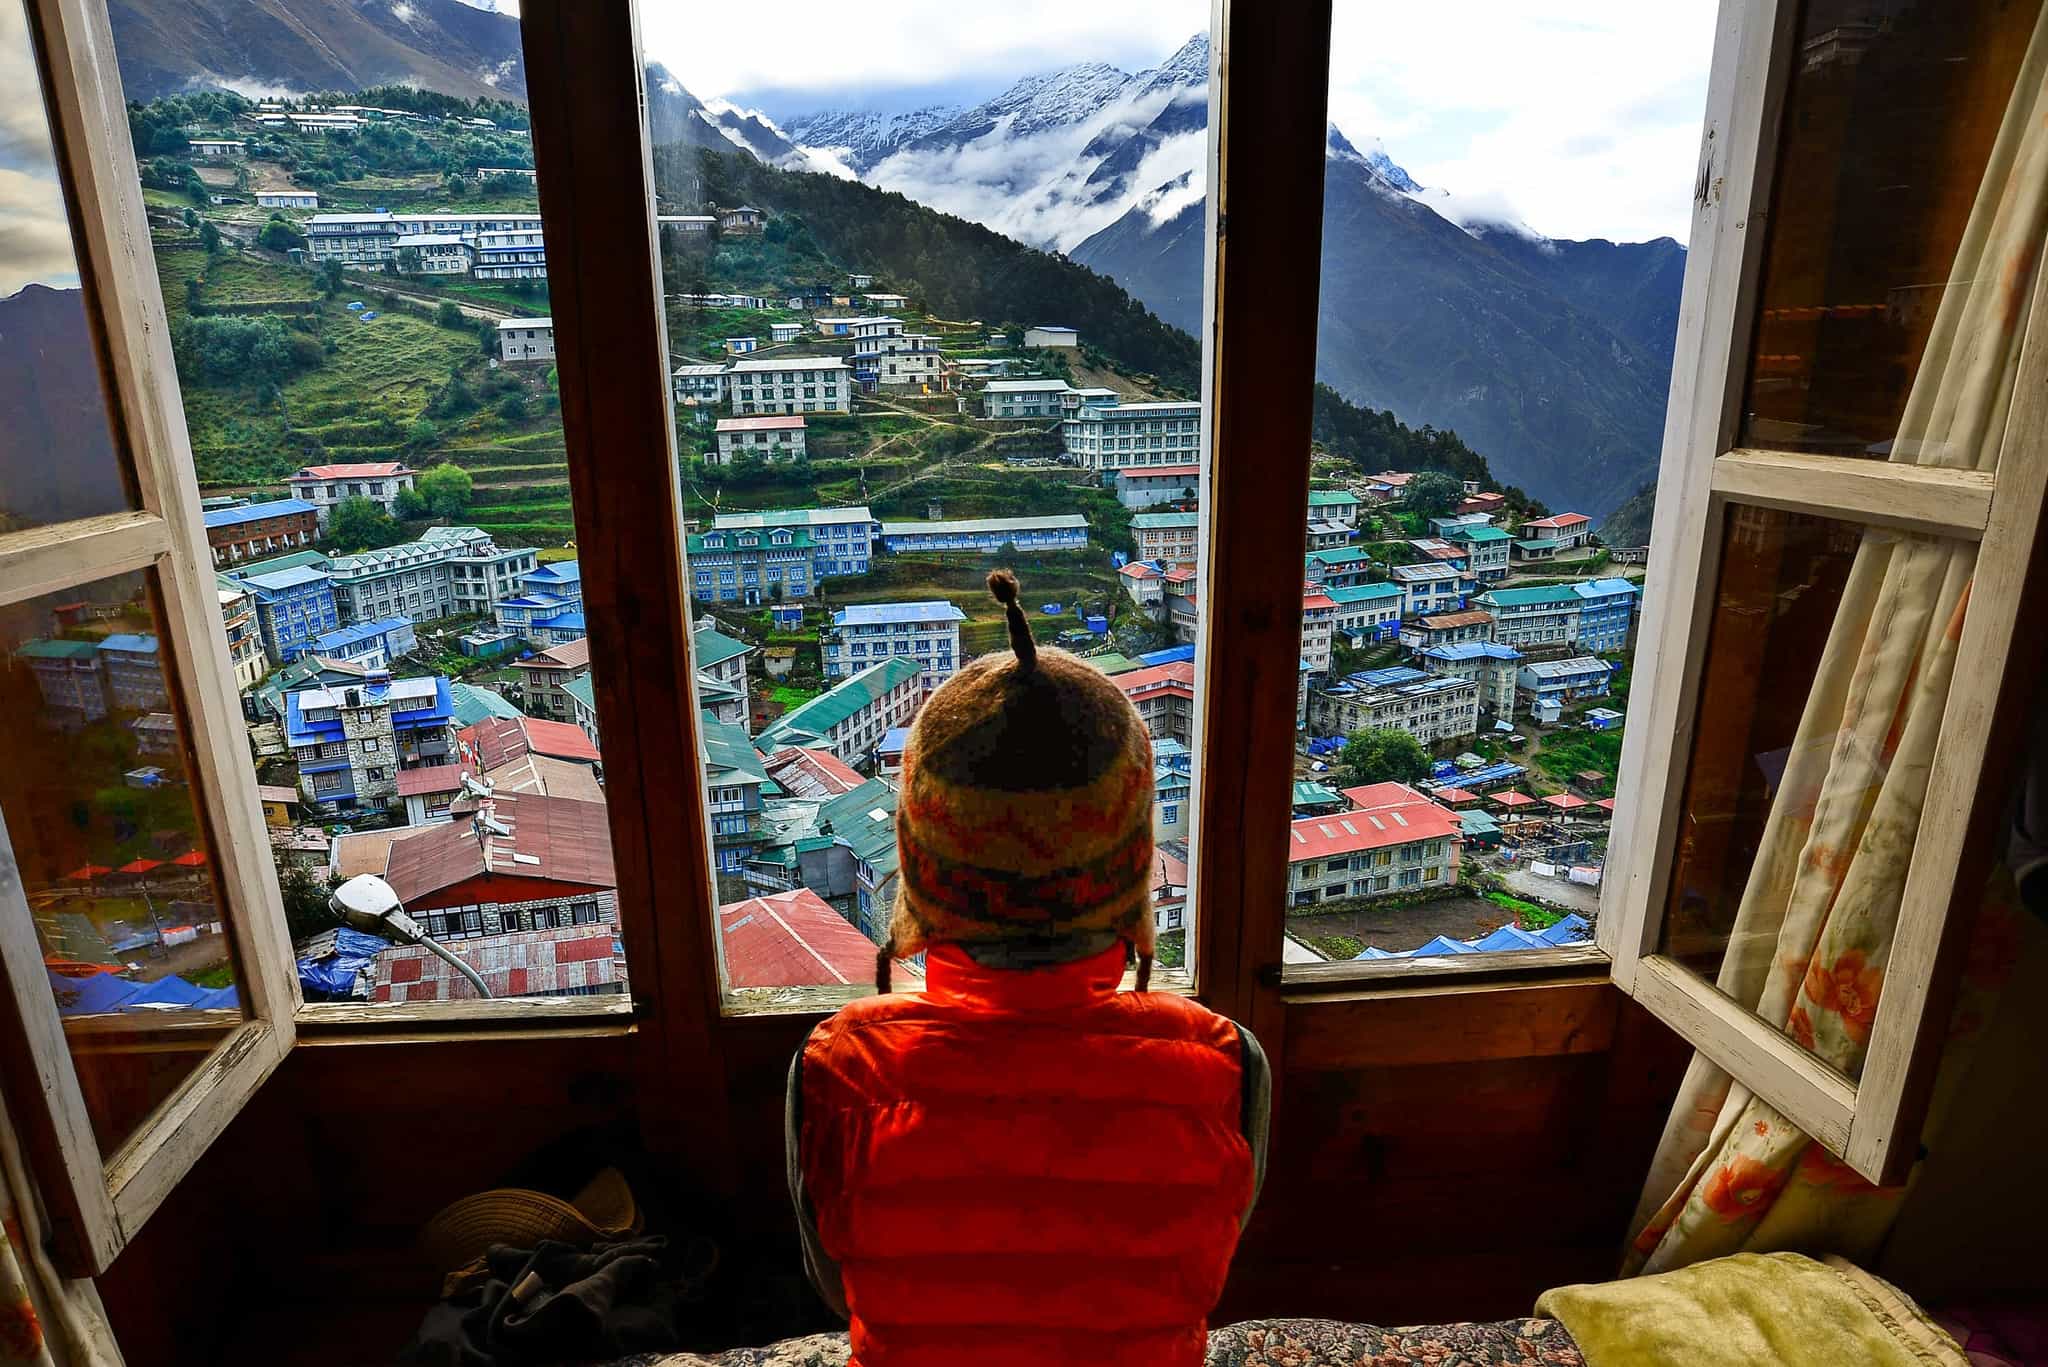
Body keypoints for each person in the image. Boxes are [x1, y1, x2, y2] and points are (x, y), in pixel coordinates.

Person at [786, 570, 1270, 1366]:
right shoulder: (1226, 1064)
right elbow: (1201, 1268)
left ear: (919, 861)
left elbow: (839, 1289)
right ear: (1131, 861)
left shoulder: (837, 1069)